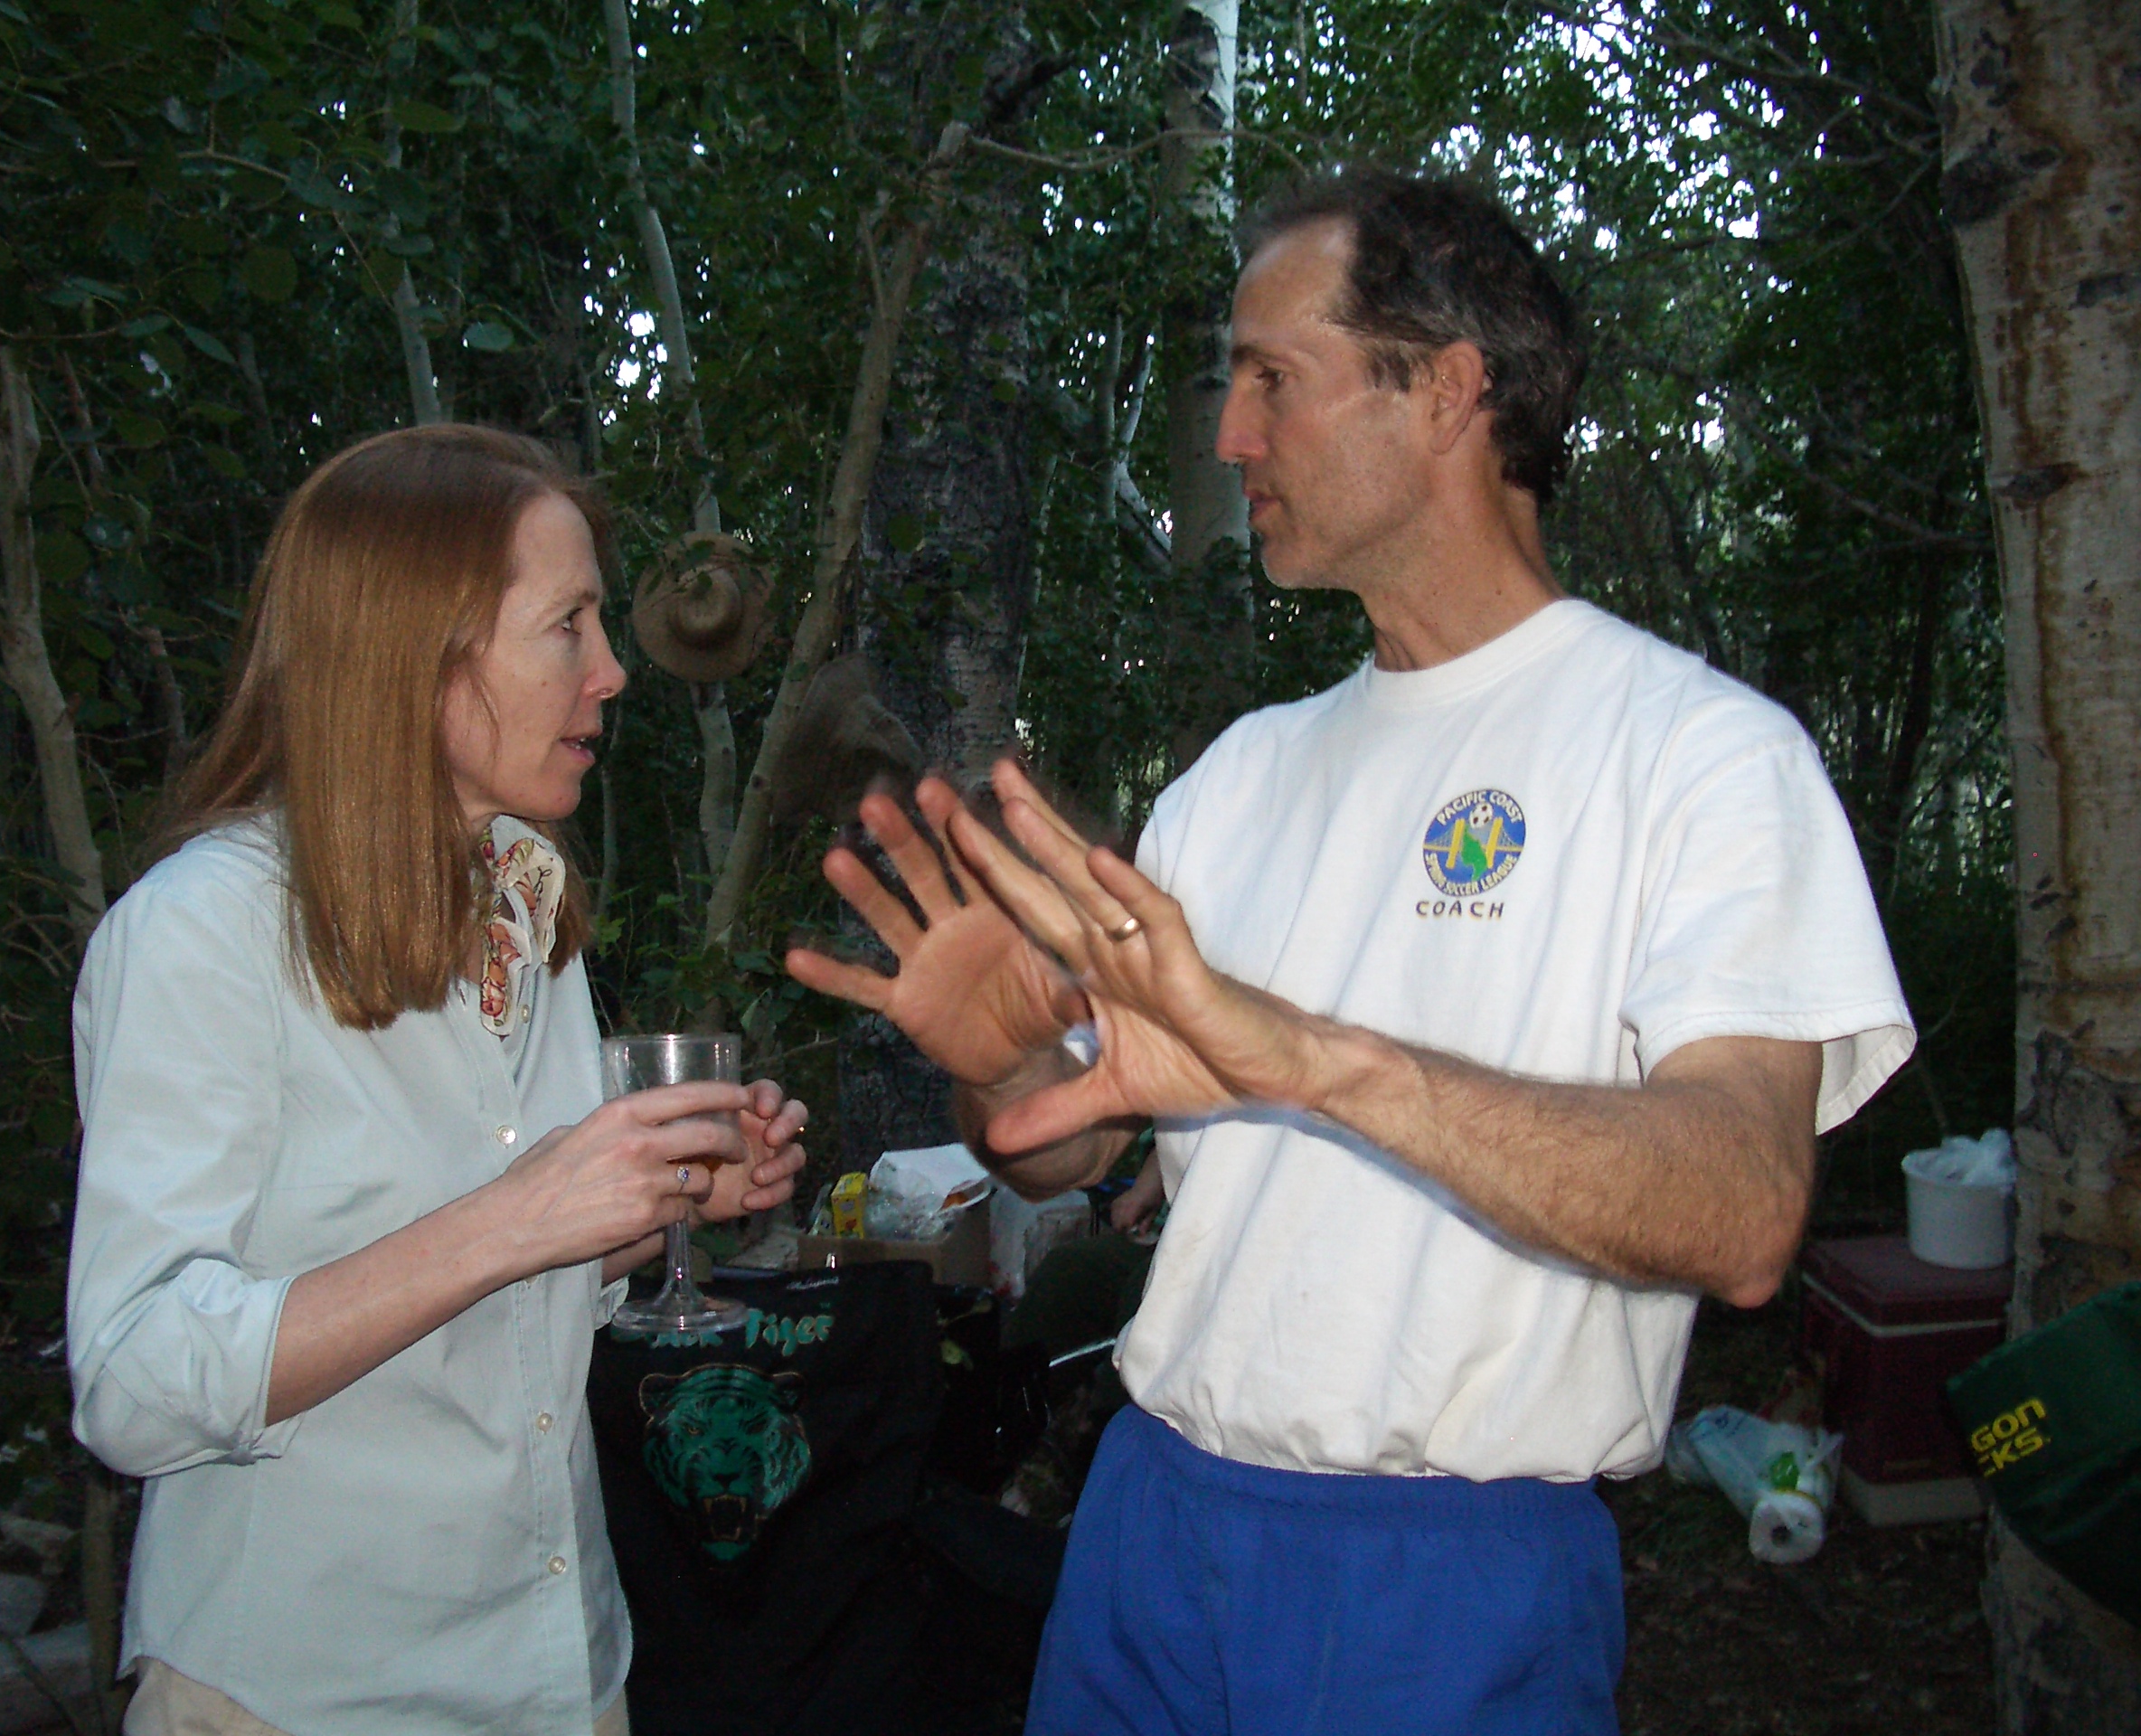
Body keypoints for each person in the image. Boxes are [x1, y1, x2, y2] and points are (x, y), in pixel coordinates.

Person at [788, 168, 1913, 1734]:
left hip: (1446, 1577)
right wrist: (1009, 1068)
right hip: (1153, 1529)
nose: (1234, 436)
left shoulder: (1698, 756)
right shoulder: (1238, 778)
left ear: (1447, 389)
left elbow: (1743, 1212)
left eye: (1274, 378)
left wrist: (1313, 1060)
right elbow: (1066, 1151)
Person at [67, 425, 806, 1736]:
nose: (611, 671)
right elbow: (131, 1379)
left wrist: (665, 1207)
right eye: (568, 625)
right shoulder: (202, 933)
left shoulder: (529, 912)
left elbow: (511, 1304)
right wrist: (515, 1216)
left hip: (559, 1673)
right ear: (420, 652)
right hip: (301, 1698)